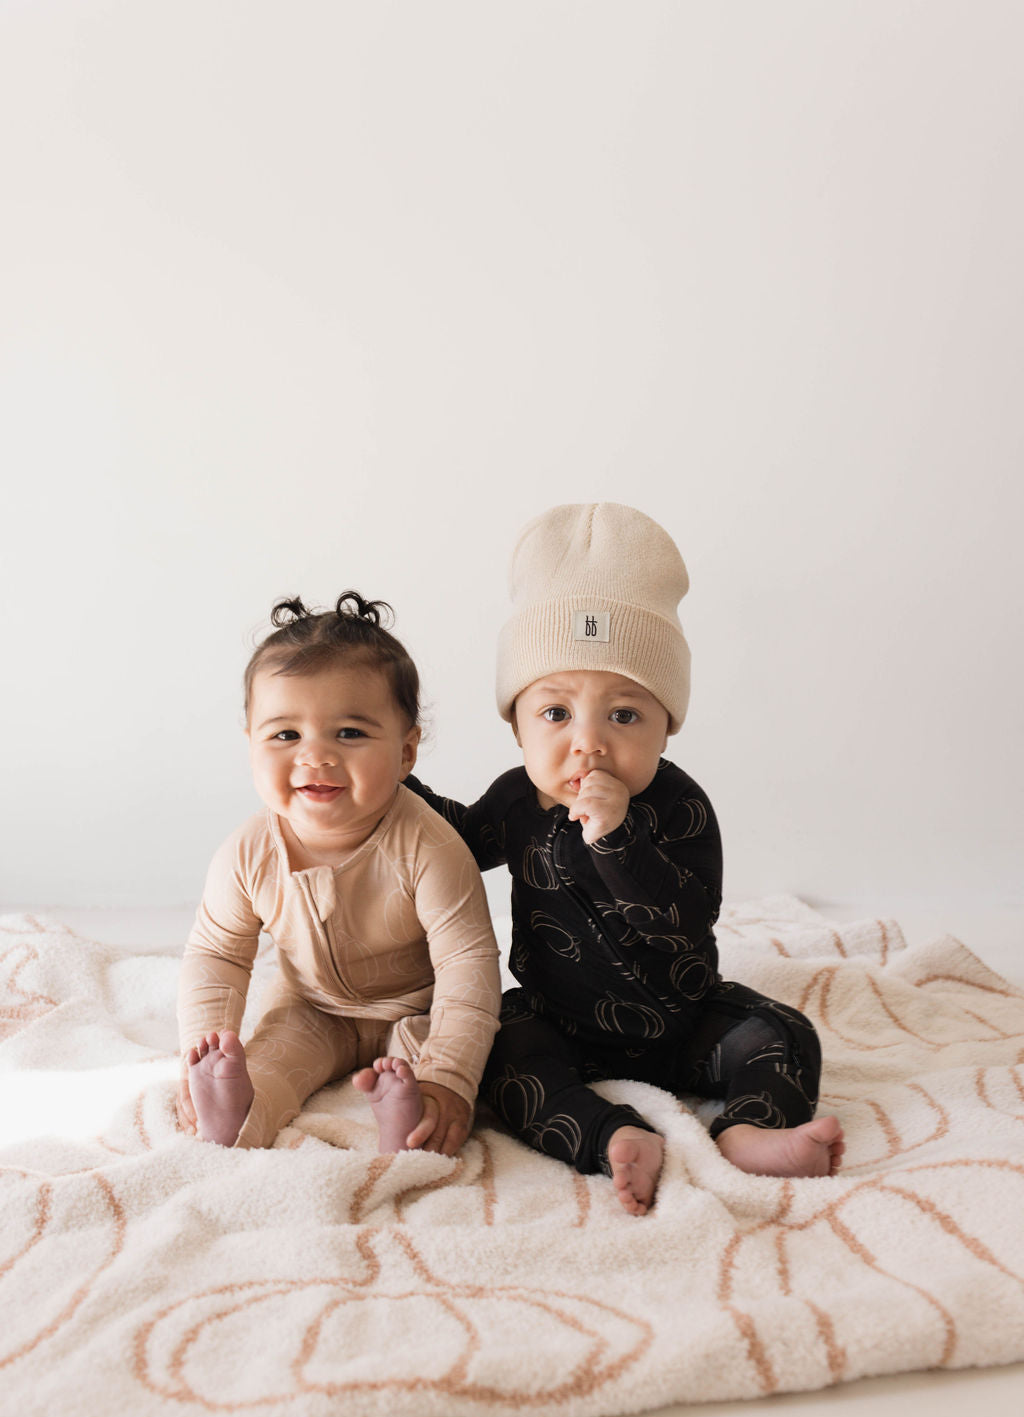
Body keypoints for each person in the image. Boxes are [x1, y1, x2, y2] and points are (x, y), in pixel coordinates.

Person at [406, 504, 843, 1214]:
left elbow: (686, 914)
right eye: (556, 713)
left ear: (666, 727)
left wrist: (616, 839)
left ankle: (751, 1131)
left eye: (624, 714)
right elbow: (454, 839)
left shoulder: (679, 806)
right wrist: (397, 781)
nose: (589, 742)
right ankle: (611, 1137)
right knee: (502, 1049)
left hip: (681, 1020)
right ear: (514, 723)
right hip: (556, 1017)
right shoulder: (518, 800)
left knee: (784, 1034)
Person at [177, 592, 502, 1156]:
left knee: (432, 1064)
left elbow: (467, 965)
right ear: (250, 745)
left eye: (349, 733)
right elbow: (217, 954)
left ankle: (411, 1118)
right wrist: (201, 1046)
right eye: (285, 735)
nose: (315, 756)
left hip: (416, 1008)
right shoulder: (249, 851)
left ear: (406, 752)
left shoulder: (429, 846)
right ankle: (234, 1113)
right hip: (313, 1009)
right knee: (269, 1061)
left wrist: (449, 1077)